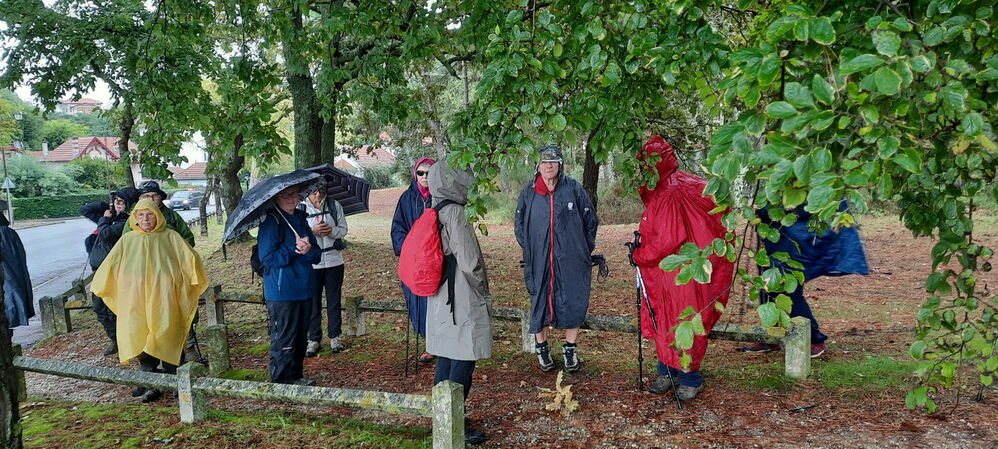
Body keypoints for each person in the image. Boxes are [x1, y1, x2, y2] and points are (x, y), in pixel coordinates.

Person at [631, 136, 735, 401]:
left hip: (681, 271)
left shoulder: (671, 192)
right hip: (677, 270)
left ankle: (690, 377)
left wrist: (640, 254)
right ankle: (667, 370)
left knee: (680, 320)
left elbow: (667, 239)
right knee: (667, 319)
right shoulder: (678, 183)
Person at [91, 199, 208, 403]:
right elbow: (112, 266)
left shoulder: (171, 237)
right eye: (141, 215)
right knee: (140, 335)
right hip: (136, 299)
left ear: (158, 216)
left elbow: (189, 261)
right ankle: (149, 383)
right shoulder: (127, 240)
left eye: (150, 214)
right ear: (134, 217)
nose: (146, 219)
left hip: (165, 298)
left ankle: (175, 381)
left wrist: (182, 283)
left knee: (168, 332)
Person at [742, 201, 869, 357]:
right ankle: (771, 334)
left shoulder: (815, 182)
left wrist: (763, 208)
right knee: (769, 284)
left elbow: (800, 206)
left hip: (799, 236)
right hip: (778, 236)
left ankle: (814, 340)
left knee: (788, 287)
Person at [425, 159, 492, 446]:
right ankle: (454, 421)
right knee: (464, 354)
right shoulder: (455, 213)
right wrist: (483, 290)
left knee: (447, 354)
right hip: (461, 295)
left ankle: (441, 414)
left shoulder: (433, 207)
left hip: (441, 293)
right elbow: (470, 261)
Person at [515, 145, 598, 373]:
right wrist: (531, 249)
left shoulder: (573, 189)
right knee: (539, 300)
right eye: (544, 161)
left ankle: (570, 349)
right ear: (537, 165)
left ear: (560, 165)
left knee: (572, 299)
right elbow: (519, 225)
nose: (548, 165)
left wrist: (582, 249)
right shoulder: (529, 192)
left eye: (553, 161)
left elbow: (590, 220)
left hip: (570, 258)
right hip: (539, 259)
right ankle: (542, 349)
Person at [258, 186, 321, 385]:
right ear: (276, 199)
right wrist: (293, 248)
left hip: (305, 287)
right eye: (285, 195)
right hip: (282, 290)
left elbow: (317, 256)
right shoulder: (271, 222)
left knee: (301, 336)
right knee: (285, 337)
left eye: (294, 194)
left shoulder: (301, 220)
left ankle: (296, 375)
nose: (290, 198)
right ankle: (282, 380)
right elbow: (268, 259)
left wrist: (308, 249)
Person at [81, 187, 139, 356]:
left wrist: (105, 220)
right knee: (99, 308)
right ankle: (115, 339)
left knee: (117, 307)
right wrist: (106, 205)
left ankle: (125, 340)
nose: (117, 205)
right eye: (115, 202)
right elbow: (85, 210)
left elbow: (106, 234)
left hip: (117, 271)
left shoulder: (126, 222)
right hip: (100, 271)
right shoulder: (108, 217)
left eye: (121, 202)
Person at [391, 157, 437, 363]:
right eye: (421, 173)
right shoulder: (406, 198)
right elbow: (397, 228)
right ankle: (427, 340)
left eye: (429, 172)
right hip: (414, 260)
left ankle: (436, 343)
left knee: (435, 301)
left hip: (435, 259)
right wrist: (409, 248)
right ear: (415, 174)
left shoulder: (440, 197)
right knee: (416, 301)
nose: (425, 177)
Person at [302, 188, 348, 357]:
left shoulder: (335, 206)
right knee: (313, 302)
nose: (318, 195)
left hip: (334, 260)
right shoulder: (301, 209)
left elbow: (343, 229)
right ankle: (313, 338)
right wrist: (312, 232)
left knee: (334, 300)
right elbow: (298, 235)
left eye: (321, 191)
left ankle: (335, 336)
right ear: (307, 193)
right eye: (313, 192)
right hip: (312, 264)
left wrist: (332, 231)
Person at [124, 181, 196, 247]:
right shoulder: (133, 218)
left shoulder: (172, 216)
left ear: (160, 197)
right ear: (139, 199)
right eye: (146, 196)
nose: (151, 199)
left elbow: (188, 239)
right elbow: (125, 243)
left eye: (154, 196)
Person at [0, 204, 34, 332]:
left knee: (10, 284)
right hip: (11, 261)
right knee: (13, 282)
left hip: (7, 263)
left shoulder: (4, 233)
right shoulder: (8, 232)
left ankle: (12, 315)